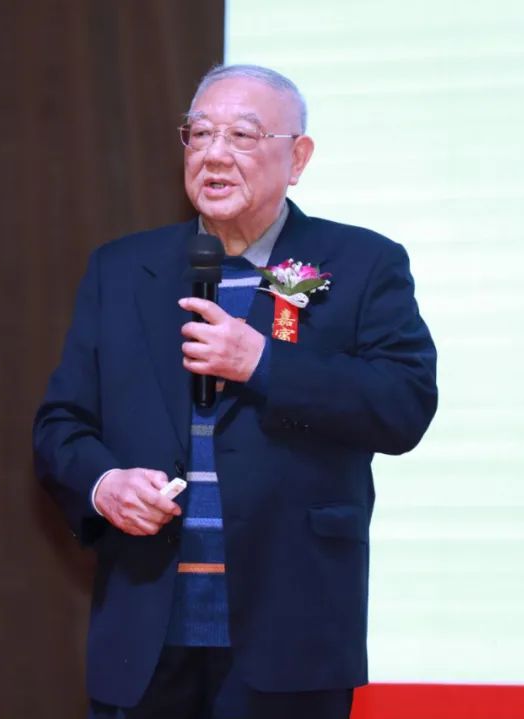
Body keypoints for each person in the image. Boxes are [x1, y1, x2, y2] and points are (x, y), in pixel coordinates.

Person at [33, 64, 437, 719]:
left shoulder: (361, 263)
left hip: (291, 628)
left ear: (297, 158)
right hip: (145, 628)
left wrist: (263, 363)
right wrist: (104, 484)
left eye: (243, 136)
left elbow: (404, 404)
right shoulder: (122, 269)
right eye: (200, 134)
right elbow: (61, 424)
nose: (214, 154)